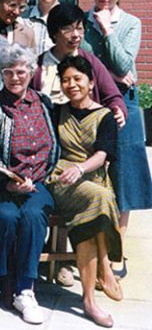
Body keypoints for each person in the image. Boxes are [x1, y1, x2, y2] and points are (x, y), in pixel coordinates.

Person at [0, 45, 57, 324]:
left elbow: (53, 148)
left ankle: (25, 289)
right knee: (5, 215)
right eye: (7, 72)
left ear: (31, 72)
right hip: (3, 185)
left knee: (34, 215)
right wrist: (7, 183)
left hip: (38, 183)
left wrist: (41, 176)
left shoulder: (43, 103)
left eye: (20, 71)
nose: (14, 78)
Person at [82, 0, 152, 278]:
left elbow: (126, 62)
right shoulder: (82, 24)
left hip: (125, 103)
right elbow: (82, 64)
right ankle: (92, 244)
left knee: (124, 173)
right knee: (93, 174)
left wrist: (108, 29)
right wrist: (110, 75)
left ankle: (117, 247)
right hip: (91, 102)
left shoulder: (131, 23)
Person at [45, 55, 122, 328]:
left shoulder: (104, 116)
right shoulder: (56, 112)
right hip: (62, 181)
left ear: (91, 82)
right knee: (100, 198)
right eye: (65, 80)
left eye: (78, 79)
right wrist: (72, 171)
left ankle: (89, 299)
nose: (71, 85)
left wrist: (80, 168)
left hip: (91, 176)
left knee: (96, 202)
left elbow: (103, 155)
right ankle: (105, 266)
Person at [31, 3, 126, 127]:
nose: (76, 35)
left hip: (83, 135)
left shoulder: (91, 62)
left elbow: (112, 96)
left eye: (79, 28)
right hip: (46, 132)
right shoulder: (38, 65)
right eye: (68, 29)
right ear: (54, 32)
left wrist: (118, 110)